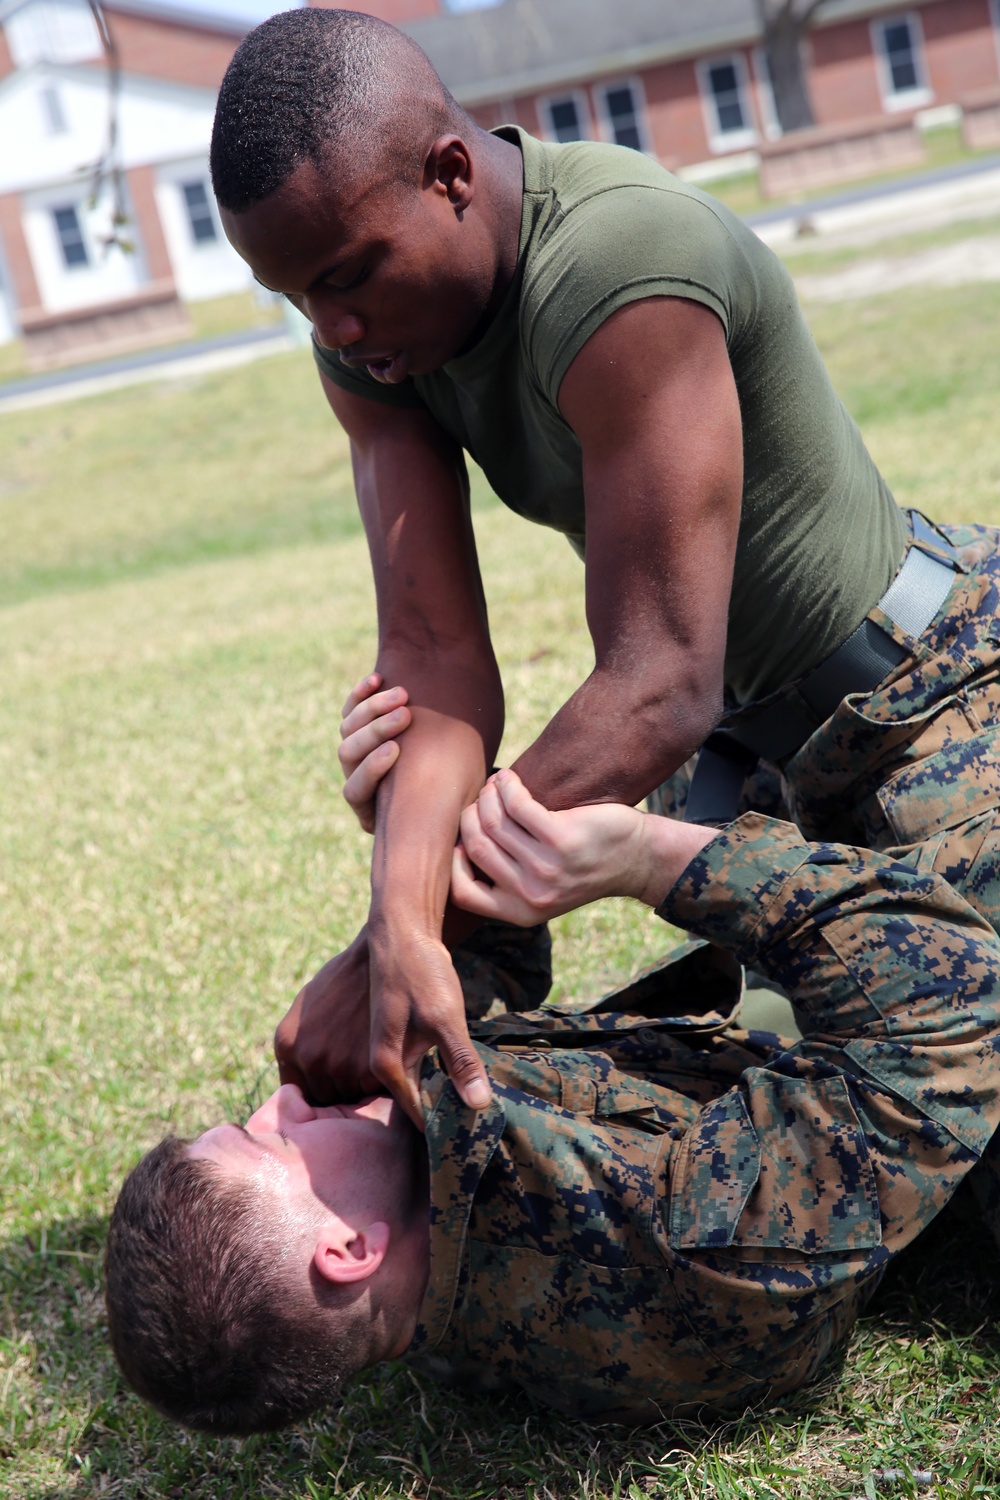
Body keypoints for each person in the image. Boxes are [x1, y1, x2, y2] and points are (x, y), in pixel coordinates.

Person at [207, 7, 1000, 1126]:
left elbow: (656, 683)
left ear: (448, 174)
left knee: (959, 1130)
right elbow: (432, 655)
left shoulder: (616, 257)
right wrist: (397, 913)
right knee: (458, 1050)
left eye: (348, 276)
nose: (331, 329)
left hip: (921, 708)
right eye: (294, 298)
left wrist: (413, 927)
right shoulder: (381, 341)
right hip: (739, 773)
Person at [105, 751, 1000, 1435]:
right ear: (347, 1250)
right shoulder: (688, 1249)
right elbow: (959, 999)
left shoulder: (431, 1244)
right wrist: (651, 860)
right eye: (272, 1142)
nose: (284, 1104)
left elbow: (498, 976)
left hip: (796, 985)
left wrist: (410, 864)